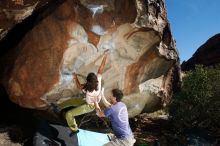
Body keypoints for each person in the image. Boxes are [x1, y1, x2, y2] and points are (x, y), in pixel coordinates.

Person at [58, 50, 108, 133]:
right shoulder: (97, 82)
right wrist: (105, 56)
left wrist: (75, 77)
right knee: (71, 101)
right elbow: (101, 68)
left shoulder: (88, 90)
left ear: (88, 82)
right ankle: (58, 107)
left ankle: (74, 129)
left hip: (89, 106)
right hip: (87, 101)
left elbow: (79, 86)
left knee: (69, 114)